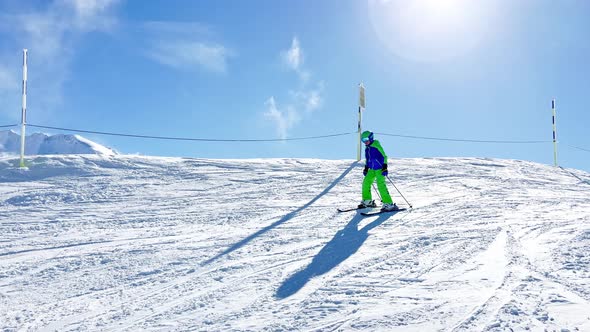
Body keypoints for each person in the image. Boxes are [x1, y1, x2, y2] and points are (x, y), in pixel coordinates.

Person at [358, 130, 398, 211]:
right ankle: (367, 201)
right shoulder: (367, 148)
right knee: (366, 183)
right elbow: (368, 159)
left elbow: (384, 156)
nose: (365, 142)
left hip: (380, 168)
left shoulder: (376, 145)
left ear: (371, 137)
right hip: (372, 169)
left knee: (381, 185)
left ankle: (389, 203)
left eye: (366, 139)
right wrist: (366, 168)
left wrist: (385, 166)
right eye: (363, 140)